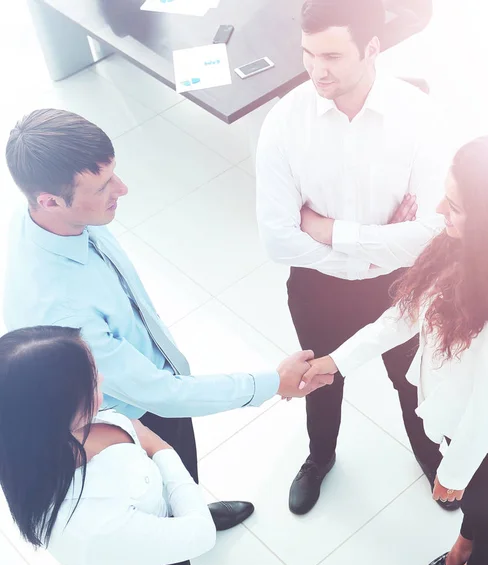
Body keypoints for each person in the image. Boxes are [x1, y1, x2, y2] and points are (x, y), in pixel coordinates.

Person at [3, 111, 332, 539]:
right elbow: (161, 394)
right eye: (103, 187)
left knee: (181, 477)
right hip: (131, 420)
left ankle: (191, 508)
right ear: (48, 200)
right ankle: (180, 529)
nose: (122, 190)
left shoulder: (51, 218)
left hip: (152, 394)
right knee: (155, 503)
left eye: (114, 175)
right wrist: (272, 382)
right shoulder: (62, 311)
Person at [300, 134, 488, 565]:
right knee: (472, 506)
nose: (440, 211)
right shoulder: (457, 247)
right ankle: (464, 546)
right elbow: (402, 317)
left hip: (484, 441)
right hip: (452, 419)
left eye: (455, 206)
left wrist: (454, 469)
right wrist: (336, 361)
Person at [256, 0, 451, 515]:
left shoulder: (420, 116)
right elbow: (276, 239)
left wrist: (328, 231)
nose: (317, 70)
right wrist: (373, 247)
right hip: (319, 286)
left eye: (333, 56)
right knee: (321, 376)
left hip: (399, 284)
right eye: (308, 54)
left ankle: (433, 456)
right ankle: (319, 458)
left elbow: (434, 234)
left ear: (372, 49)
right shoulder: (283, 123)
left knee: (411, 379)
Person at [0, 325, 215, 565]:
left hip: (152, 546)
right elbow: (201, 534)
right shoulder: (87, 526)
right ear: (56, 410)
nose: (101, 378)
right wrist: (162, 449)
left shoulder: (38, 438)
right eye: (91, 380)